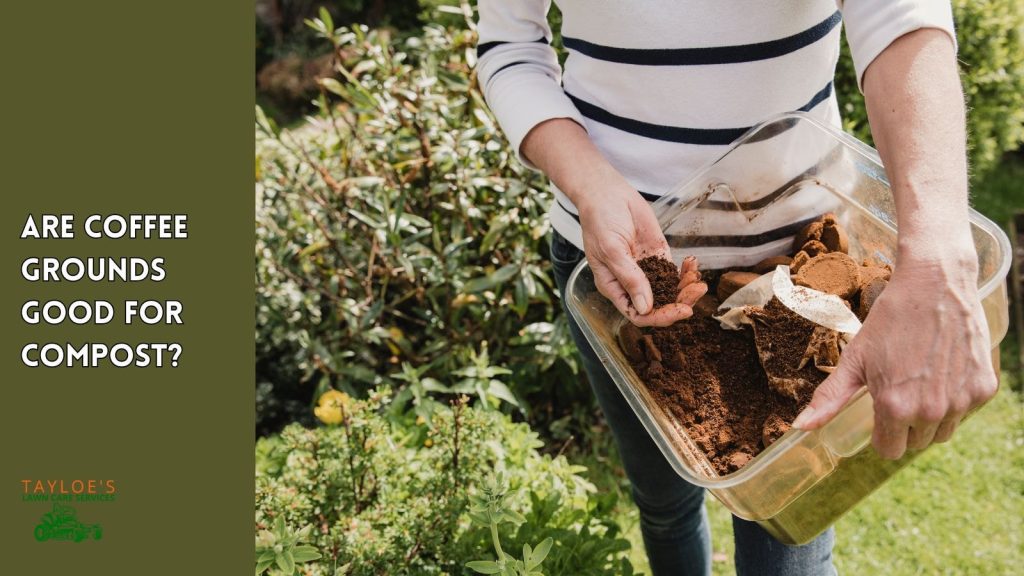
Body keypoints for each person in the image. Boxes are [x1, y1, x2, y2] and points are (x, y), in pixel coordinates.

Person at [474, 1, 999, 575]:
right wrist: (590, 183)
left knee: (789, 543)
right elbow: (509, 47)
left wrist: (936, 264)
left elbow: (901, 17)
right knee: (665, 504)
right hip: (622, 270)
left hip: (803, 268)